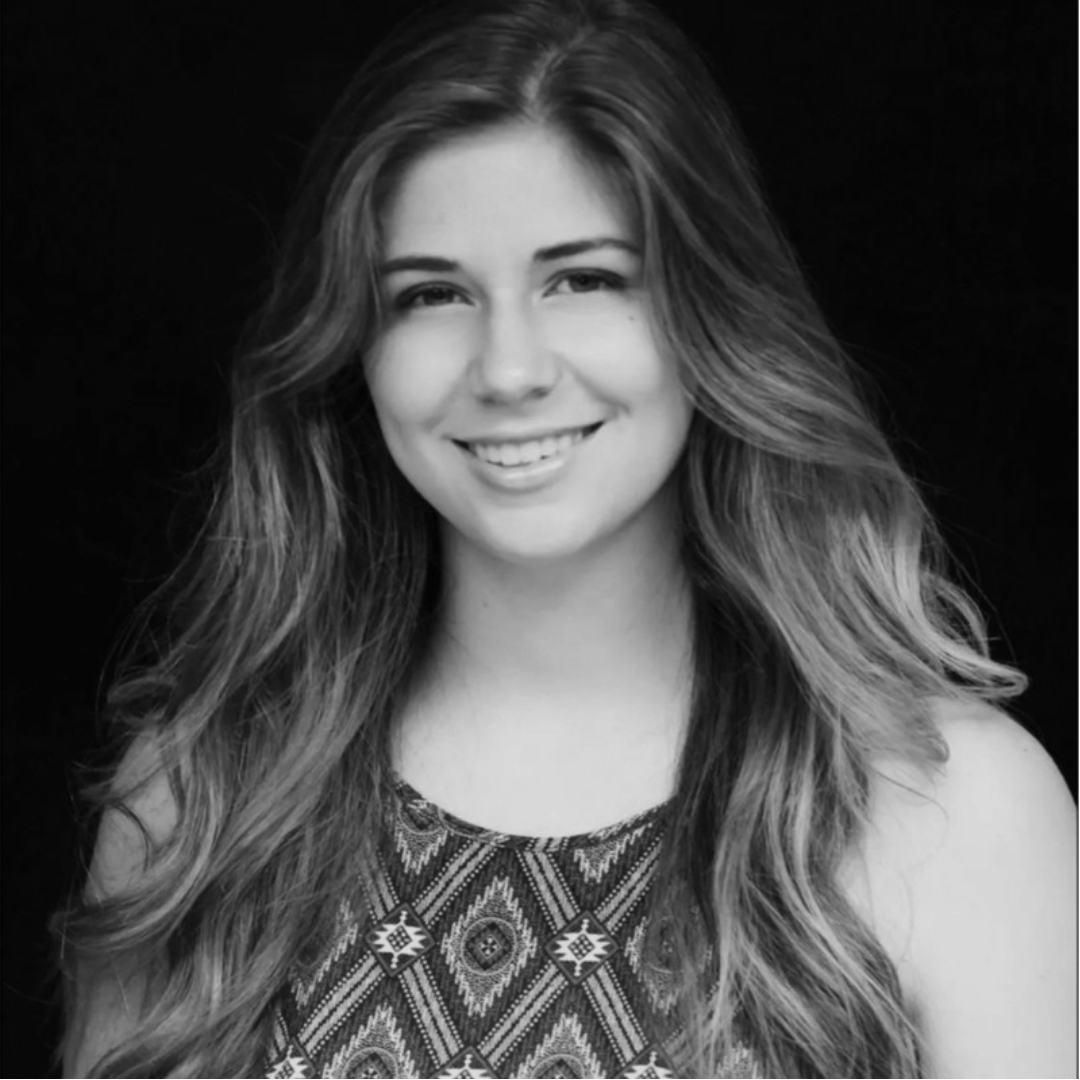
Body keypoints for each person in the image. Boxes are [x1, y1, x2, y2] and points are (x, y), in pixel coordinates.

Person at [54, 0, 1076, 1076]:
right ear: (355, 345)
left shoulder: (951, 809)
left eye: (582, 279)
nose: (508, 369)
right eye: (433, 293)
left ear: (709, 312)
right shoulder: (201, 794)